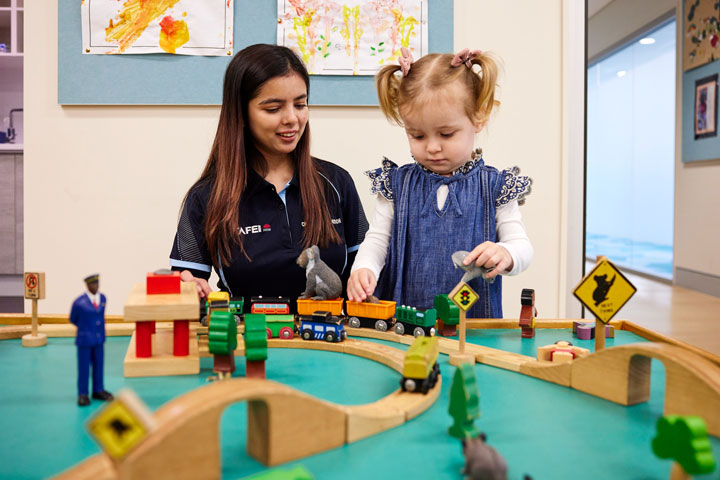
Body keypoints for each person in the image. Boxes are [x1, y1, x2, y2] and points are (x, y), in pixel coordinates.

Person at [170, 44, 368, 310]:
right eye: (273, 109)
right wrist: (187, 288)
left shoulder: (336, 183)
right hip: (246, 340)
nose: (292, 119)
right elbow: (186, 284)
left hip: (331, 338)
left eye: (300, 104)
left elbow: (368, 268)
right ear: (241, 114)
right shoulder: (205, 198)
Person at [347, 48, 533, 318]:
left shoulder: (495, 187)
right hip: (404, 321)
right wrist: (363, 268)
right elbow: (377, 239)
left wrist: (506, 253)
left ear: (478, 117)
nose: (432, 148)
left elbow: (522, 246)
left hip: (473, 325)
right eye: (417, 135)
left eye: (446, 134)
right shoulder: (396, 185)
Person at [69, 274, 113, 406]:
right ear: (87, 286)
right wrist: (85, 328)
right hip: (85, 340)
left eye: (97, 284)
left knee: (99, 366)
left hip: (99, 340)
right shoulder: (79, 302)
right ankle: (83, 394)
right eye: (93, 284)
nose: (96, 286)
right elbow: (73, 318)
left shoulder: (103, 298)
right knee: (84, 368)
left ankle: (98, 389)